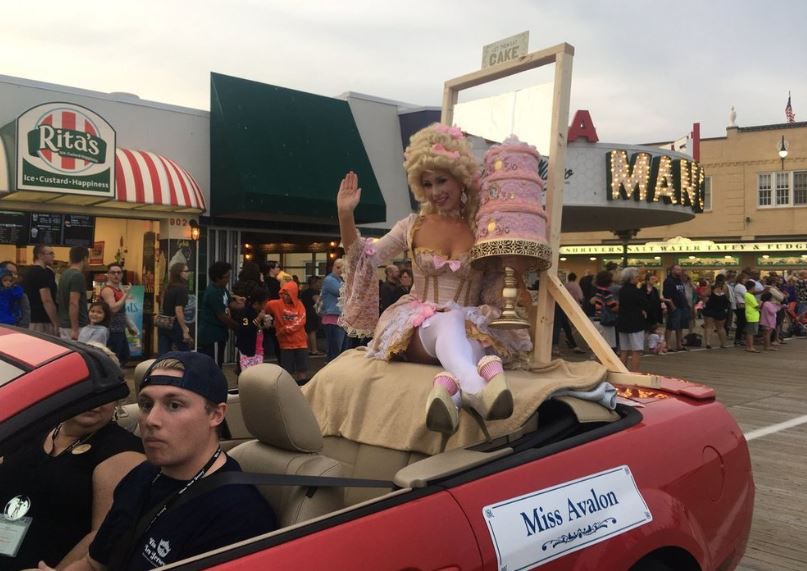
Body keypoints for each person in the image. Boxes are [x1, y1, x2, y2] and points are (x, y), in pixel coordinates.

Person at [336, 123, 532, 435]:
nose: (435, 191)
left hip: (471, 327)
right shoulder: (411, 226)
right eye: (426, 184)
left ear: (460, 176)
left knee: (462, 325)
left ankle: (449, 392)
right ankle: (479, 388)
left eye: (442, 180)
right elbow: (366, 258)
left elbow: (500, 284)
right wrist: (346, 216)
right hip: (419, 329)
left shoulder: (485, 228)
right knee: (449, 317)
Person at [50, 352, 277, 571]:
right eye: (146, 405)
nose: (151, 420)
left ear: (216, 415)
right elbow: (94, 564)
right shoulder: (141, 476)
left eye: (174, 405)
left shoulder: (239, 516)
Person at [0, 348, 143, 569]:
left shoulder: (122, 451)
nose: (95, 401)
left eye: (105, 392)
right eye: (84, 389)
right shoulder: (33, 427)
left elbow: (103, 535)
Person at [198, 261, 240, 368]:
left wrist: (245, 305)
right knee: (214, 366)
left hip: (220, 334)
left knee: (218, 363)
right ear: (217, 278)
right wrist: (237, 327)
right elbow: (221, 316)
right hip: (212, 335)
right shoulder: (213, 292)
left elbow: (230, 303)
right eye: (226, 277)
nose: (228, 279)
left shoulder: (222, 289)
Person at [264, 281, 309, 382]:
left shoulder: (300, 305)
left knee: (302, 370)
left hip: (300, 343)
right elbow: (262, 308)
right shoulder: (275, 304)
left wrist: (283, 330)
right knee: (287, 372)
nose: (285, 297)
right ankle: (288, 390)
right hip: (285, 344)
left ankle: (302, 388)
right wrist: (267, 320)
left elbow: (301, 321)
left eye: (288, 295)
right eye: (283, 294)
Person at [100, 263, 136, 366]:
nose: (116, 275)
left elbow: (122, 310)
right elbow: (114, 308)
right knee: (114, 359)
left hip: (120, 329)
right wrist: (126, 294)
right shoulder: (108, 290)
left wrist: (129, 326)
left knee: (124, 356)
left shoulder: (119, 289)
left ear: (122, 275)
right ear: (108, 274)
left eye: (119, 272)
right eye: (113, 272)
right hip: (112, 330)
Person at [615, 268, 647, 372]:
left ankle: (622, 372)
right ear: (632, 278)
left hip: (623, 321)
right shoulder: (636, 291)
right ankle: (635, 372)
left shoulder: (621, 290)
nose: (638, 278)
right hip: (635, 322)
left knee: (624, 350)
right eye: (637, 276)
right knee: (636, 350)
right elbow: (645, 303)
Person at [23, 244, 59, 335]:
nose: (53, 256)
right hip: (41, 321)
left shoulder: (29, 271)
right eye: (50, 253)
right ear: (40, 255)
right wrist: (55, 322)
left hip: (31, 318)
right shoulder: (41, 273)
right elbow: (47, 300)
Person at [158, 262, 193, 355]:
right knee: (185, 352)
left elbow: (162, 305)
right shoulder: (182, 289)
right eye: (186, 271)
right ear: (179, 273)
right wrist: (184, 329)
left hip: (164, 323)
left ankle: (160, 368)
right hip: (175, 324)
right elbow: (178, 310)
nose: (188, 273)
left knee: (163, 353)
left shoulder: (168, 287)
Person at [319, 258, 350, 363]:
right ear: (333, 267)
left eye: (343, 268)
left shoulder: (338, 280)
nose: (340, 270)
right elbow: (343, 292)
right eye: (338, 267)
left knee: (337, 349)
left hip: (338, 319)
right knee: (336, 349)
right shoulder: (330, 280)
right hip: (333, 319)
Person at [57, 246, 90, 341]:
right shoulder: (78, 276)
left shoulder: (64, 274)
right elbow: (73, 303)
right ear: (84, 258)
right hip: (76, 326)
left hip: (64, 324)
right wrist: (75, 329)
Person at [236, 287, 270, 373]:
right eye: (265, 302)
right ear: (258, 302)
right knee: (248, 375)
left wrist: (265, 325)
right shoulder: (246, 312)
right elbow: (246, 329)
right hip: (247, 349)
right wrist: (258, 319)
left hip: (258, 349)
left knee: (257, 375)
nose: (266, 305)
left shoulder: (258, 311)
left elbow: (258, 328)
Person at [663, 265, 689, 352]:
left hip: (682, 306)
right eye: (677, 270)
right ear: (672, 270)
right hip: (674, 306)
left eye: (680, 270)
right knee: (670, 326)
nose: (679, 271)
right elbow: (667, 295)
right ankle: (667, 345)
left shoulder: (679, 280)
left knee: (680, 326)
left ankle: (679, 344)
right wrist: (672, 306)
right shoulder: (668, 281)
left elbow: (682, 292)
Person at [591, 270, 619, 351]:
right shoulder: (606, 292)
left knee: (599, 349)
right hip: (605, 322)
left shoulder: (597, 290)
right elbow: (613, 307)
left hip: (597, 319)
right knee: (607, 349)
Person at [702, 274, 731, 349]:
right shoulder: (725, 288)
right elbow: (727, 298)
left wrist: (705, 301)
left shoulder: (711, 287)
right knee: (721, 328)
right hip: (721, 310)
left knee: (708, 326)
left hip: (710, 309)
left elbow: (703, 294)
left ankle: (708, 343)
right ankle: (723, 344)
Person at [0, 260, 30, 327]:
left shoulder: (20, 294)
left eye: (15, 273)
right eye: (9, 272)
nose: (12, 276)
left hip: (13, 327)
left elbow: (26, 315)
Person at [300, 275, 323, 356]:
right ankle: (314, 350)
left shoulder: (305, 292)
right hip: (312, 313)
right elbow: (318, 301)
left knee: (308, 331)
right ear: (314, 283)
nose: (320, 284)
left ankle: (308, 349)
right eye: (319, 283)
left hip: (305, 312)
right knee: (312, 332)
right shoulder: (314, 292)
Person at [744, 280, 761, 353]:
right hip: (752, 315)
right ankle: (750, 346)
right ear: (752, 287)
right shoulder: (749, 296)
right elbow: (757, 306)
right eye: (754, 287)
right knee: (751, 333)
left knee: (750, 332)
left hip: (751, 315)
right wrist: (760, 303)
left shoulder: (748, 295)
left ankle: (749, 346)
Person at [733, 271, 748, 346]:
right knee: (741, 323)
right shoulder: (740, 286)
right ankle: (738, 339)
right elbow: (746, 295)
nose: (746, 280)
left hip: (741, 306)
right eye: (745, 278)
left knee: (741, 323)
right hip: (741, 306)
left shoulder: (739, 286)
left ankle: (739, 338)